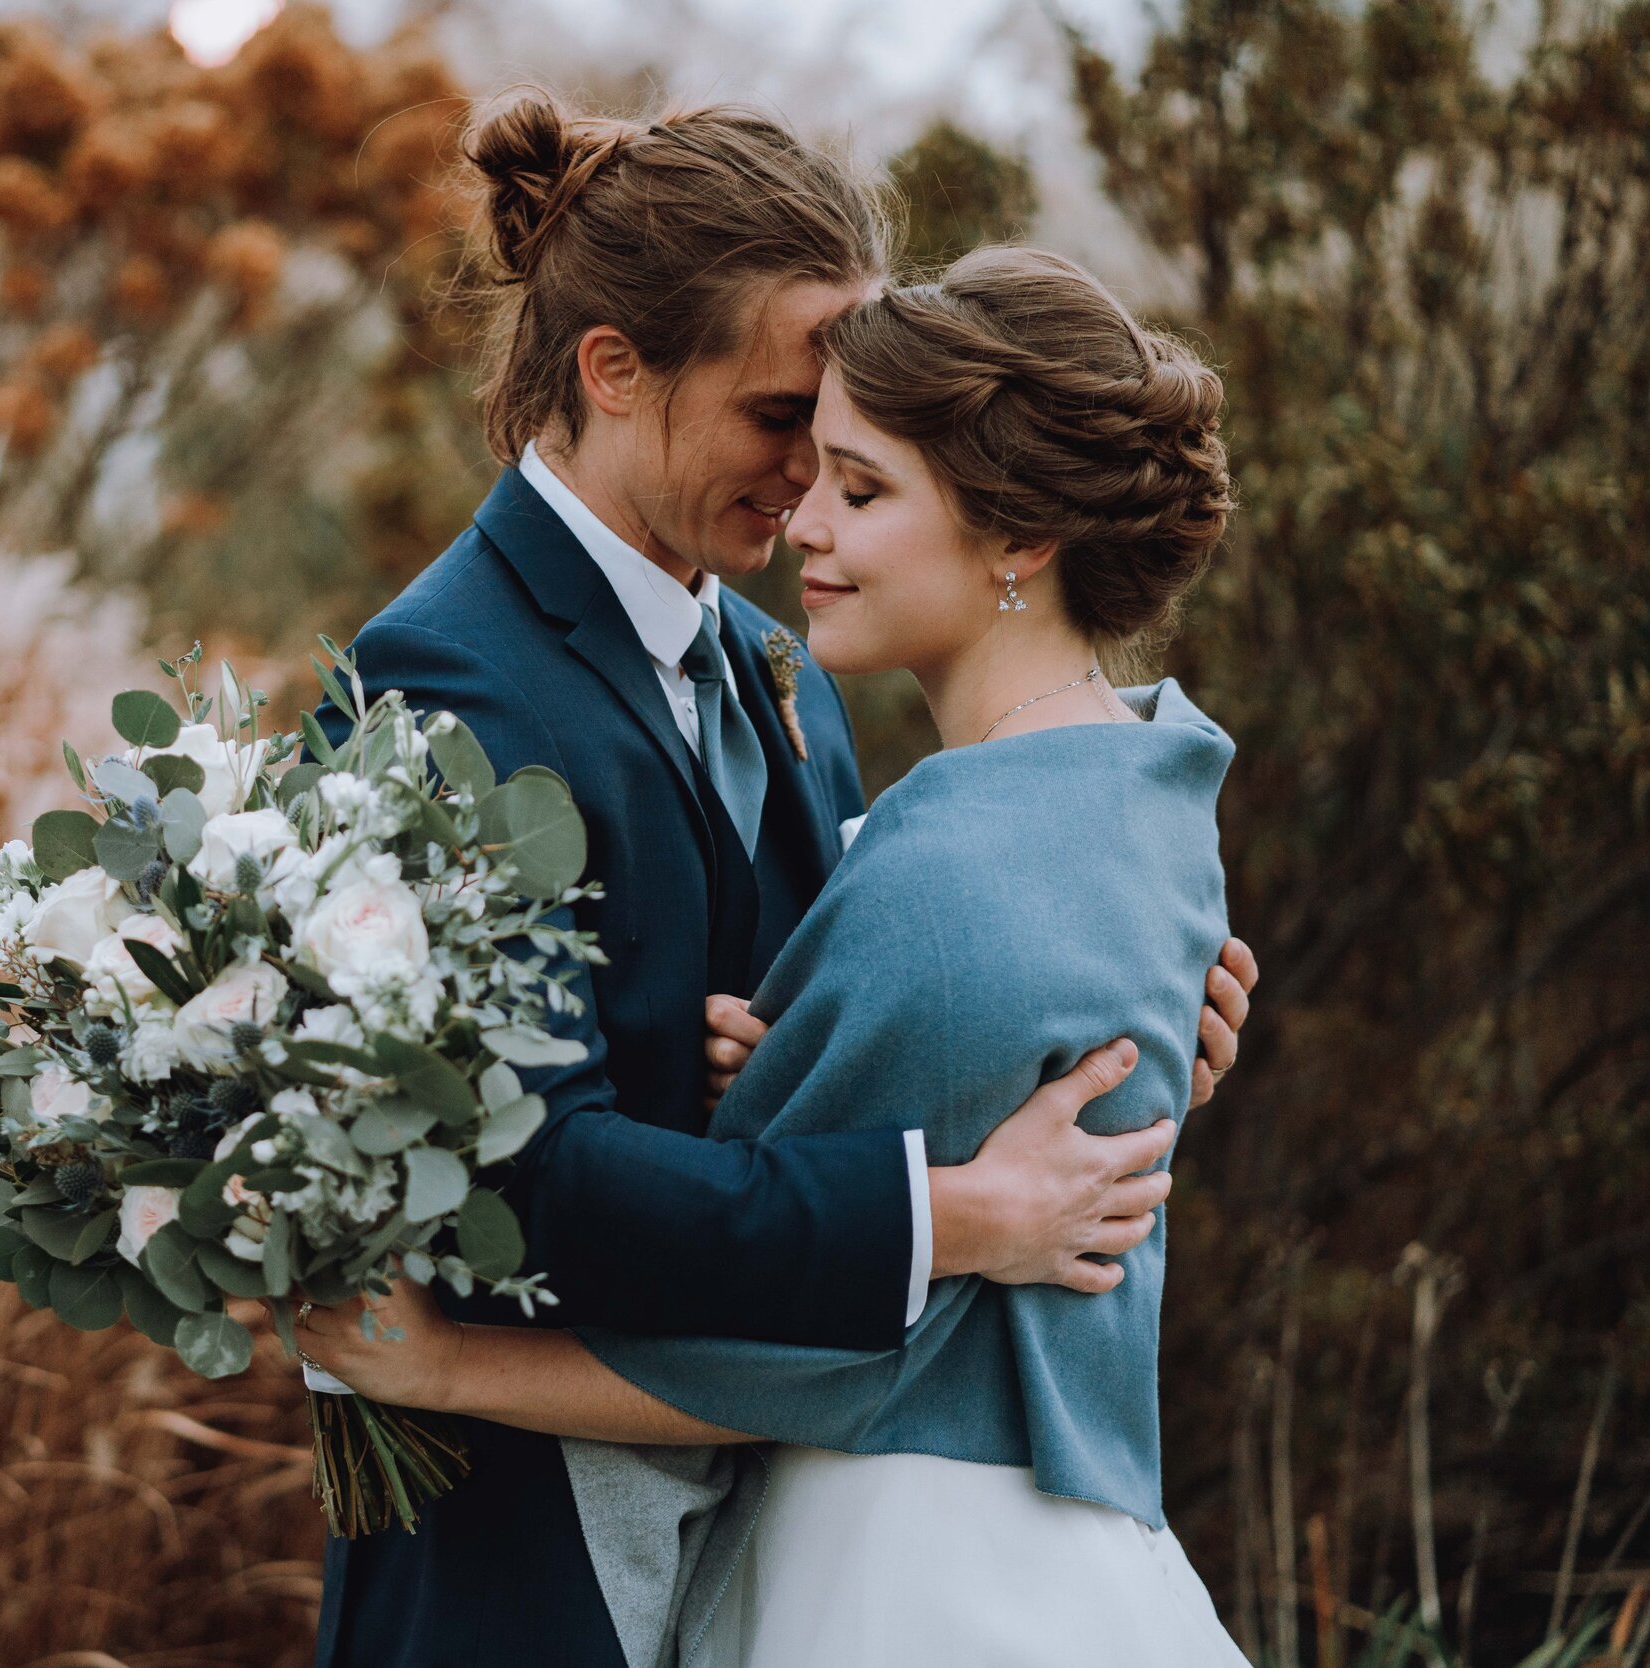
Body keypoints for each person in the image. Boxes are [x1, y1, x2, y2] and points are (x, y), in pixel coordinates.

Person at [303, 91, 1256, 1668]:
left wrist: (1098, 1035)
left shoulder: (764, 659)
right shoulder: (447, 681)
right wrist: (946, 1213)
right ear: (614, 371)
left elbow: (840, 1021)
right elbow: (529, 1178)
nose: (808, 481)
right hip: (533, 1574)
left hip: (798, 1521)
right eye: (778, 420)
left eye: (843, 456)